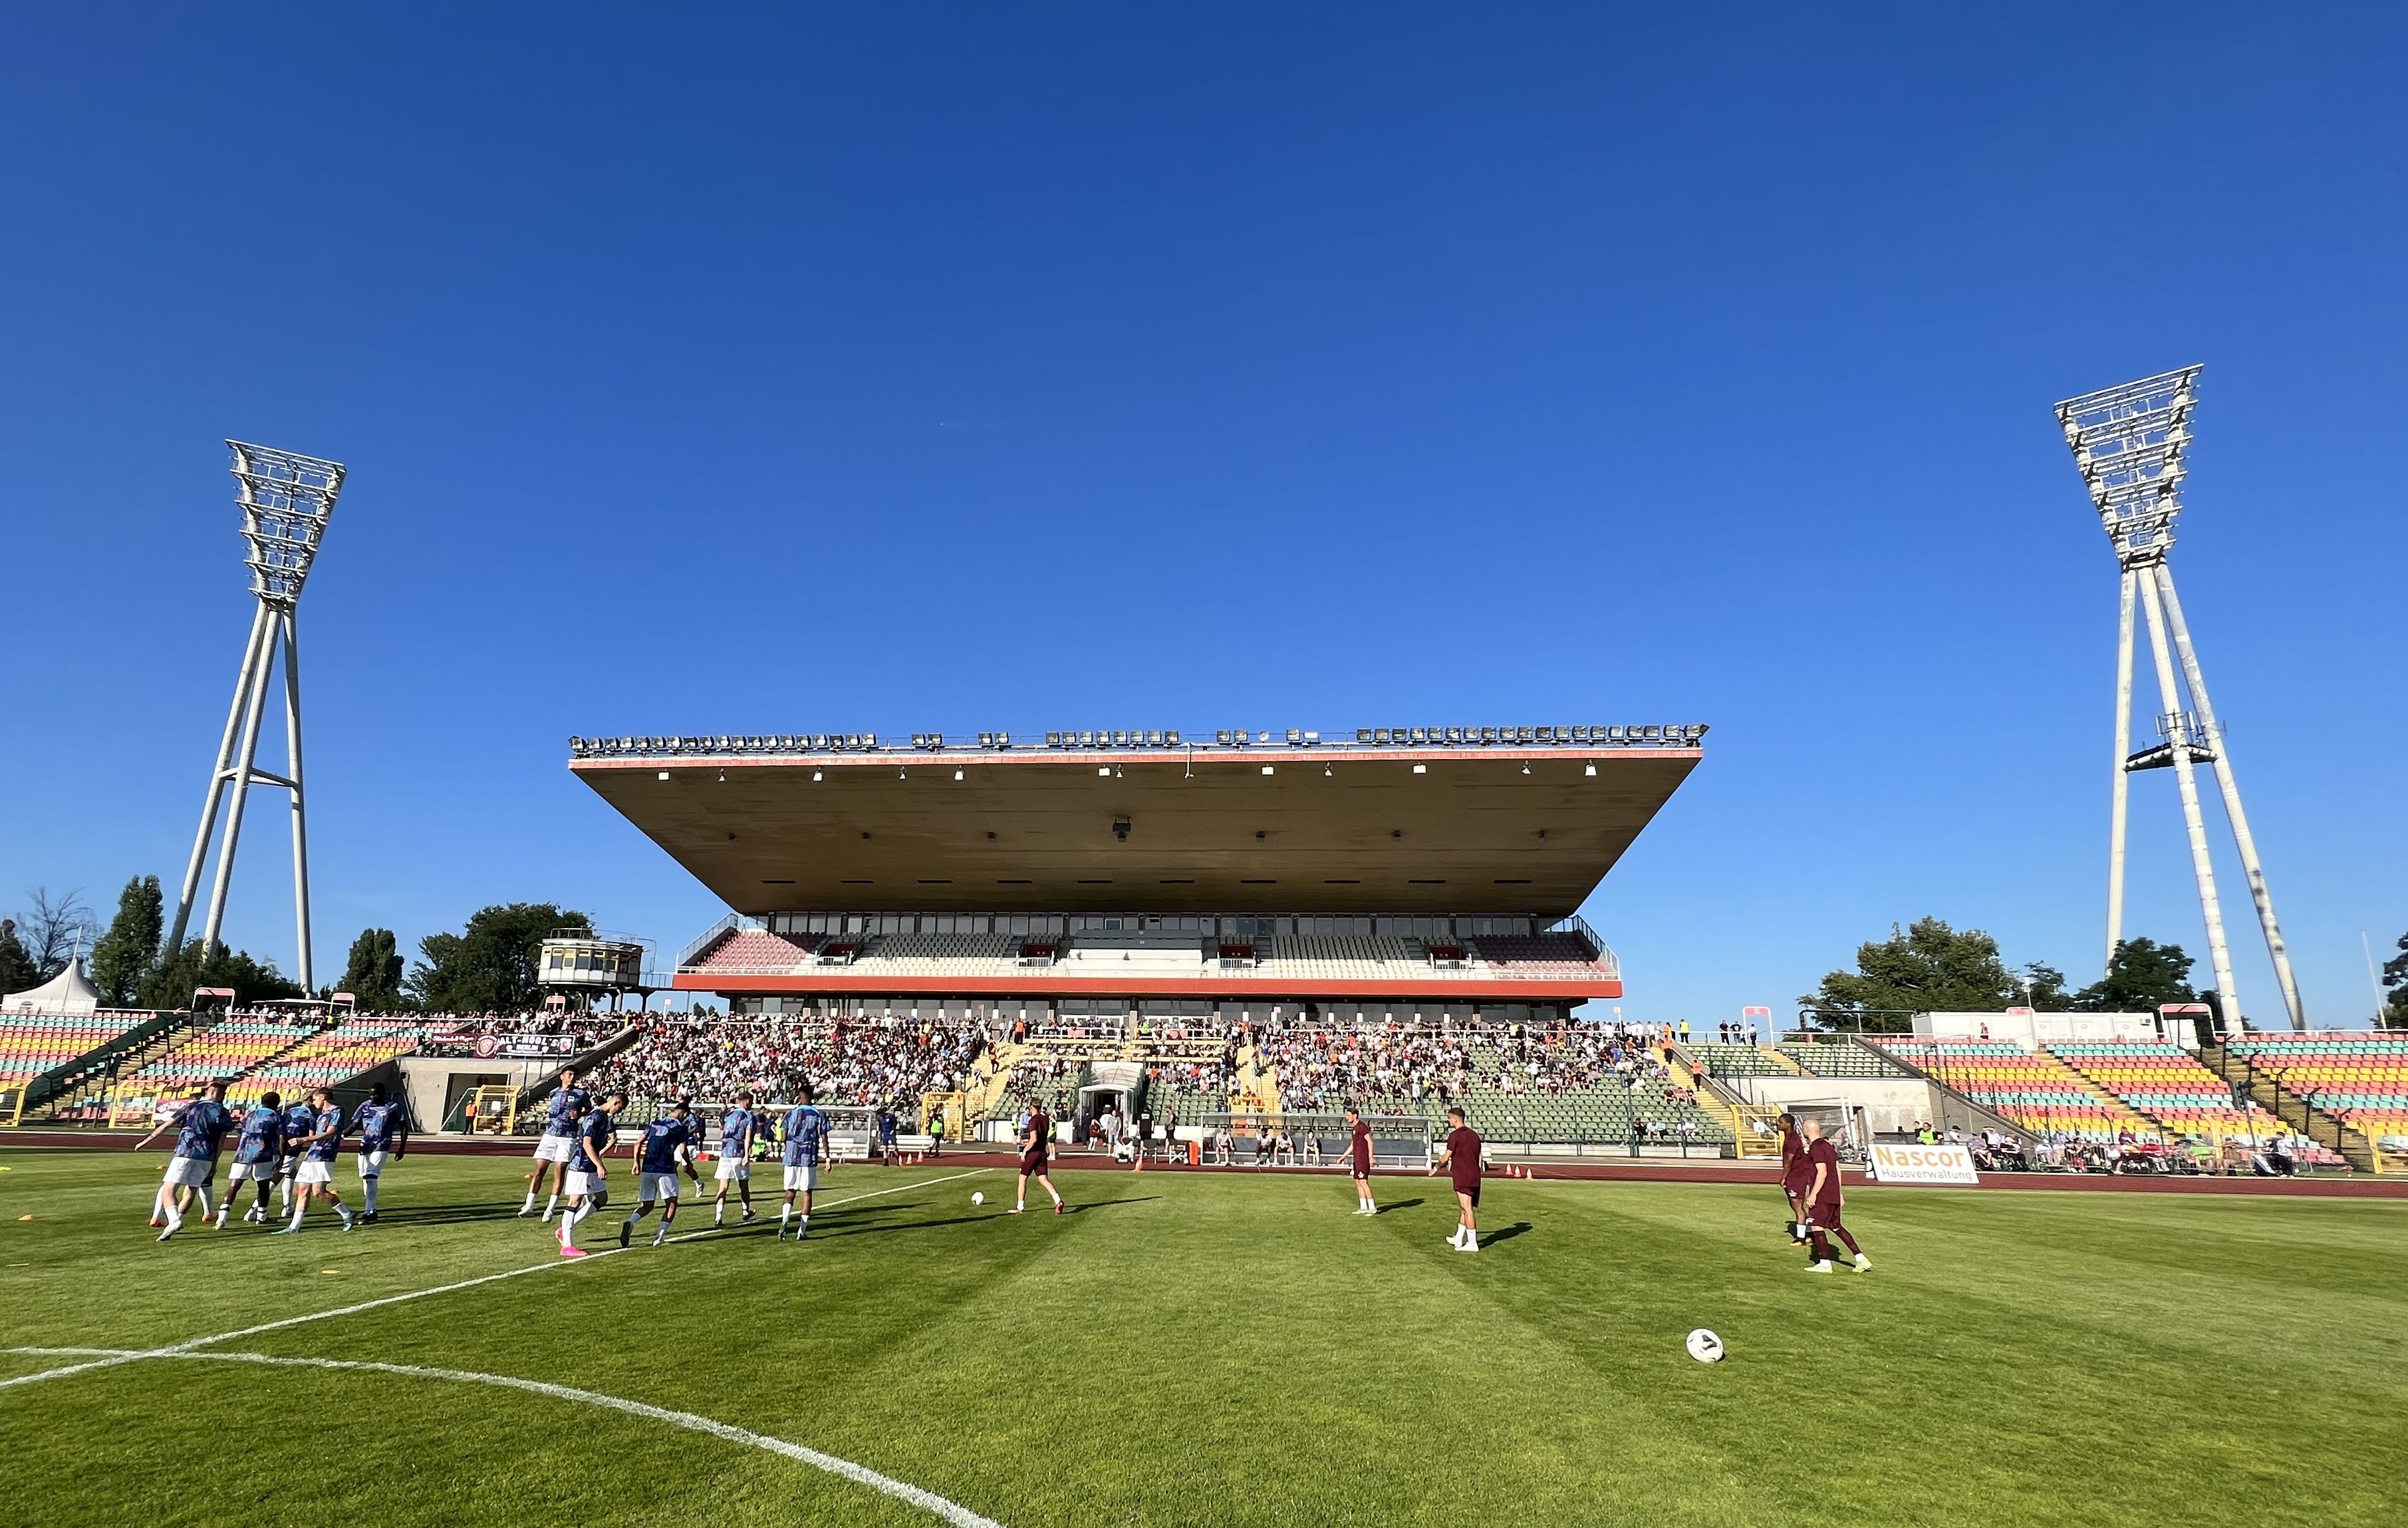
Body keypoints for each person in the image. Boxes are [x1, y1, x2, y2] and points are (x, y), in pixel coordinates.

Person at [137, 1080, 231, 1242]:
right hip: (206, 1156)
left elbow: (167, 1125)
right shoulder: (223, 1112)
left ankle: (174, 1221)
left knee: (169, 1189)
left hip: (185, 1152)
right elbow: (222, 1141)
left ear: (207, 1091)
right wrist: (215, 1163)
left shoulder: (193, 1106)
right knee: (191, 1191)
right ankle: (176, 1221)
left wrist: (146, 1141)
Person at [621, 1098, 700, 1249]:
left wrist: (636, 1163)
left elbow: (638, 1142)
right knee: (671, 1203)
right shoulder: (680, 1128)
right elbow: (683, 1150)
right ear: (683, 1113)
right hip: (665, 1170)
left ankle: (631, 1222)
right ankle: (659, 1237)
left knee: (647, 1205)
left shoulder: (656, 1123)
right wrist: (688, 1164)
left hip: (648, 1168)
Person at [275, 1088, 356, 1235]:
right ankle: (294, 1227)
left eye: (315, 1099)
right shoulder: (320, 1115)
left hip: (325, 1155)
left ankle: (347, 1214)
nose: (313, 1102)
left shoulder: (337, 1111)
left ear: (323, 1097)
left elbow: (330, 1133)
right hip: (312, 1155)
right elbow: (314, 1135)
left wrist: (303, 1139)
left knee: (318, 1192)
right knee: (303, 1190)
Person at [558, 1091, 622, 1259]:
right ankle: (567, 1246)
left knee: (602, 1199)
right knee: (575, 1201)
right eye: (620, 1108)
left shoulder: (604, 1118)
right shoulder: (594, 1118)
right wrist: (599, 1164)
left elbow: (609, 1139)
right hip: (581, 1165)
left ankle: (564, 1230)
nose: (619, 1112)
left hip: (591, 1166)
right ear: (615, 1103)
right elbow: (586, 1144)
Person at [1799, 1117, 1868, 1273]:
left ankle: (1825, 1263)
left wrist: (1813, 1195)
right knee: (1836, 1226)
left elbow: (1822, 1172)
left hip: (1823, 1194)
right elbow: (1837, 1169)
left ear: (1807, 1130)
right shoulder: (1829, 1146)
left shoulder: (1817, 1148)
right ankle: (1860, 1258)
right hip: (1833, 1193)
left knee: (1816, 1225)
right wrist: (1839, 1193)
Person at [521, 1066, 589, 1221]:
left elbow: (590, 1109)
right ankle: (529, 1205)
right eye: (569, 1074)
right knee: (540, 1170)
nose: (572, 1077)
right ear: (562, 1077)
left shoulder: (581, 1094)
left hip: (568, 1136)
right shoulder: (554, 1093)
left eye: (574, 1075)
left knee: (559, 1171)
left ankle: (550, 1209)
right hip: (550, 1134)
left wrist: (580, 1114)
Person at [218, 1088, 284, 1227]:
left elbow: (239, 1132)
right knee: (263, 1186)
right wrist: (281, 1157)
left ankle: (222, 1218)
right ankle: (262, 1216)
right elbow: (282, 1137)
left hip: (243, 1154)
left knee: (234, 1185)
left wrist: (241, 1147)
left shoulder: (250, 1115)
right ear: (277, 1103)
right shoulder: (276, 1116)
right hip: (263, 1154)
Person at [350, 1083, 408, 1224]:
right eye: (370, 1094)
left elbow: (403, 1127)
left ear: (383, 1094)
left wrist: (402, 1148)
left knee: (371, 1176)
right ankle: (370, 1209)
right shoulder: (364, 1106)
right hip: (365, 1146)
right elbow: (354, 1124)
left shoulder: (392, 1107)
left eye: (375, 1094)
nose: (372, 1097)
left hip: (381, 1144)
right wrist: (340, 1136)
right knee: (366, 1178)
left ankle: (369, 1211)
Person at [779, 1087, 831, 1241]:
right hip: (808, 1158)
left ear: (799, 1097)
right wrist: (828, 1158)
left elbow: (783, 1137)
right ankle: (801, 1231)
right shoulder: (818, 1114)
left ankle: (785, 1220)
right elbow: (824, 1137)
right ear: (811, 1097)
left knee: (790, 1191)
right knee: (807, 1193)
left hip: (791, 1157)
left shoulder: (790, 1114)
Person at [1430, 1106, 1483, 1252]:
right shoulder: (1474, 1135)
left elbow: (1446, 1157)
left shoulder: (1455, 1136)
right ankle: (1459, 1237)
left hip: (1463, 1175)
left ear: (1455, 1119)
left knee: (1467, 1209)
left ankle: (1472, 1243)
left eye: (1449, 1118)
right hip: (1474, 1175)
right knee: (1464, 1208)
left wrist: (1436, 1168)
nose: (1449, 1121)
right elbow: (1479, 1157)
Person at [712, 1092, 759, 1228]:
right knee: (743, 1185)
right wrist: (747, 1155)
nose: (752, 1103)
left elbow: (722, 1135)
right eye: (750, 1100)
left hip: (725, 1153)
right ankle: (745, 1212)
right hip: (738, 1153)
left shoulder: (728, 1115)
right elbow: (748, 1138)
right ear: (745, 1101)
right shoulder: (750, 1117)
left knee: (723, 1187)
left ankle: (718, 1217)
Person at [1013, 1096, 1065, 1215]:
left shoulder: (1033, 1120)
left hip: (1033, 1153)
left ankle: (1020, 1206)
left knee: (1022, 1178)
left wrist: (1025, 1151)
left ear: (1032, 1108)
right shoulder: (1045, 1119)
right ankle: (1058, 1200)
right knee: (1043, 1179)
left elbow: (1034, 1139)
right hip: (1043, 1152)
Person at [1778, 1112, 1810, 1244]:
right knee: (1795, 1205)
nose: (1777, 1124)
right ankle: (1809, 1233)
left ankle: (1801, 1238)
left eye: (1781, 1122)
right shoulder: (1790, 1137)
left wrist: (1783, 1177)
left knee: (1798, 1207)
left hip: (1796, 1176)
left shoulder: (1793, 1140)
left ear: (1788, 1124)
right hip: (1795, 1175)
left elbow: (1789, 1161)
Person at [1345, 1106, 1376, 1215]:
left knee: (1363, 1182)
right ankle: (1363, 1207)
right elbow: (1353, 1145)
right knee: (1358, 1182)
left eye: (1349, 1115)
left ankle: (1372, 1207)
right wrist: (1343, 1156)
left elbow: (1370, 1141)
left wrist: (1370, 1157)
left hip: (1363, 1159)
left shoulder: (1361, 1127)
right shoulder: (1354, 1128)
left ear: (1355, 1116)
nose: (1347, 1118)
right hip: (1357, 1159)